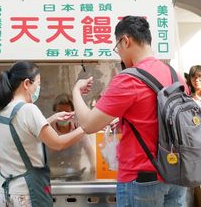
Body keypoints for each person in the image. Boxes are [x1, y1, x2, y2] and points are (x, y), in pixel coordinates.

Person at [72, 16, 189, 206]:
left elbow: (88, 124)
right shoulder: (175, 75)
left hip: (141, 179)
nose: (118, 52)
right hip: (176, 175)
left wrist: (76, 91)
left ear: (125, 41)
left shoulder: (129, 79)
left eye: (117, 47)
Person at [0, 61, 86, 207]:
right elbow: (58, 143)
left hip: (5, 190)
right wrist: (86, 127)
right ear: (26, 84)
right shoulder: (29, 110)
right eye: (38, 83)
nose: (38, 88)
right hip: (27, 192)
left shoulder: (0, 109)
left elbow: (21, 131)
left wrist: (50, 119)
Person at [47, 94, 96, 178]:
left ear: (72, 113)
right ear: (54, 112)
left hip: (75, 176)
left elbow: (90, 151)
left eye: (67, 112)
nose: (63, 115)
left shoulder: (78, 129)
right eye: (59, 112)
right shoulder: (48, 130)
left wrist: (93, 166)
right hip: (53, 175)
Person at [186, 65, 201, 206]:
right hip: (194, 149)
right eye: (194, 77)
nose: (197, 80)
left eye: (200, 77)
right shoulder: (187, 100)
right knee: (195, 186)